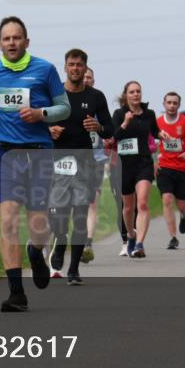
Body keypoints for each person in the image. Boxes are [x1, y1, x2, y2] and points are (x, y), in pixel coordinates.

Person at [0, 16, 70, 312]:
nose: (12, 43)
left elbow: (64, 108)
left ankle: (36, 251)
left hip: (38, 153)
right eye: (7, 38)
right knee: (8, 219)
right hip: (5, 154)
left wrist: (41, 114)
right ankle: (16, 294)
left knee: (38, 223)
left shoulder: (45, 70)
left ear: (27, 41)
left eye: (17, 38)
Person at [46, 49, 114, 284]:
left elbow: (110, 128)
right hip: (57, 163)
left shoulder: (96, 97)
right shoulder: (54, 94)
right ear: (65, 67)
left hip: (85, 163)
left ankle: (74, 270)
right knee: (59, 217)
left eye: (79, 65)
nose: (75, 68)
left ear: (85, 68)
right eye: (71, 64)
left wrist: (98, 127)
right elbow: (35, 121)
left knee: (81, 215)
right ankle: (60, 242)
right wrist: (48, 130)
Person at [112, 81, 161, 258]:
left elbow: (155, 132)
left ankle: (139, 244)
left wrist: (162, 134)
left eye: (138, 91)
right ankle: (131, 235)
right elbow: (113, 137)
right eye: (132, 92)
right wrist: (125, 122)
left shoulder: (149, 114)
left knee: (142, 204)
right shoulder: (119, 114)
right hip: (124, 165)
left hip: (144, 163)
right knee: (128, 207)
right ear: (126, 95)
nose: (136, 94)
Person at [155, 92, 185, 249]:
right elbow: (149, 142)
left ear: (179, 105)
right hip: (164, 167)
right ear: (164, 104)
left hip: (183, 168)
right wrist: (153, 161)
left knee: (181, 204)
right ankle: (173, 237)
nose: (171, 106)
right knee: (167, 199)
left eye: (174, 103)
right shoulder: (157, 122)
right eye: (169, 102)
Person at [81, 67, 104, 264]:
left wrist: (103, 130)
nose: (86, 80)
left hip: (95, 160)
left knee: (91, 202)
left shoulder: (98, 102)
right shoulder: (66, 101)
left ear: (93, 81)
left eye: (89, 77)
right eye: (84, 77)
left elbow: (109, 129)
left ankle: (87, 243)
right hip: (70, 159)